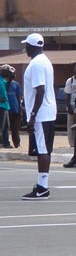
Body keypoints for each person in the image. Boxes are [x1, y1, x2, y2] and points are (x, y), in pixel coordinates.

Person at [20, 33, 57, 200]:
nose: (25, 48)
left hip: (41, 114)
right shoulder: (46, 61)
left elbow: (40, 90)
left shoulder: (36, 64)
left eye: (27, 45)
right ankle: (42, 185)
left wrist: (32, 115)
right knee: (44, 149)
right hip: (49, 112)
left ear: (32, 46)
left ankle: (42, 187)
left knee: (42, 149)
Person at [2, 65, 22, 148]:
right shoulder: (2, 84)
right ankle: (5, 142)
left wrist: (20, 110)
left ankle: (17, 144)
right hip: (5, 109)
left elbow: (18, 98)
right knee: (4, 127)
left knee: (15, 128)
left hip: (14, 109)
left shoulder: (16, 85)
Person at [0, 65, 11, 148]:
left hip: (5, 106)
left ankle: (6, 142)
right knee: (1, 126)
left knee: (6, 126)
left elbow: (8, 82)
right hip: (1, 106)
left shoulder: (3, 81)